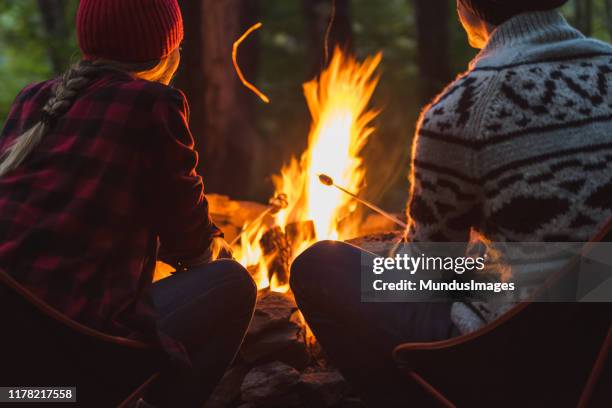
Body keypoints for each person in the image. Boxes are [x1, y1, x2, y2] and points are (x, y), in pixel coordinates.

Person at [291, 0, 612, 406]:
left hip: (512, 356)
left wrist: (391, 255)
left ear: (467, 6)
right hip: (602, 345)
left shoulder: (463, 108)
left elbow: (430, 272)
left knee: (320, 267)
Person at [0, 0, 256, 406]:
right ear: (167, 49)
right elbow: (191, 245)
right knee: (232, 283)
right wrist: (217, 247)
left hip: (13, 364)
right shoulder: (153, 103)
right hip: (76, 350)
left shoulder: (32, 100)